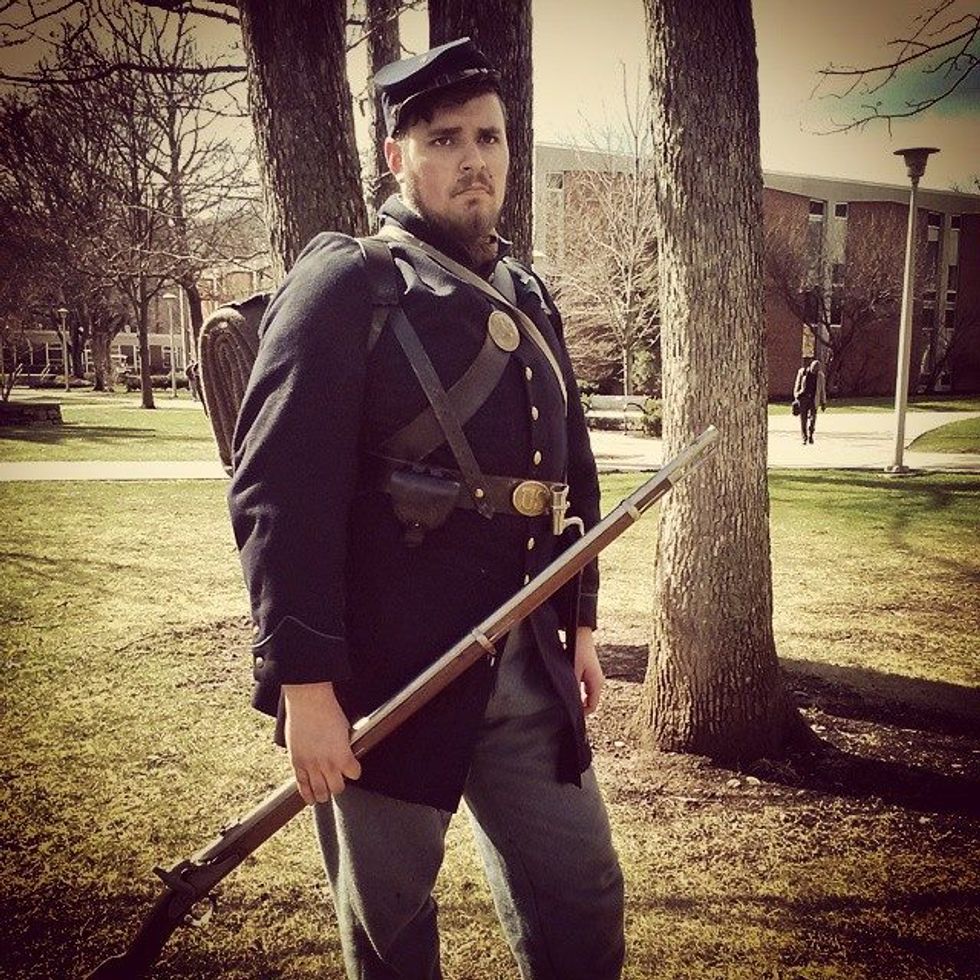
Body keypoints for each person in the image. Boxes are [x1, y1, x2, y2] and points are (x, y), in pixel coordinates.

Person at [228, 37, 624, 980]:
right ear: (397, 157)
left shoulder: (526, 290)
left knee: (583, 896)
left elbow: (568, 469)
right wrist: (305, 686)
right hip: (388, 678)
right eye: (444, 139)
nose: (473, 158)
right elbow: (278, 490)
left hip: (524, 663)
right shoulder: (349, 282)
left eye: (489, 136)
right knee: (393, 931)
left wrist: (579, 623)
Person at [793, 356, 827, 444]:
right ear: (810, 366)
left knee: (813, 419)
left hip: (813, 399)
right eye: (813, 369)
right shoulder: (802, 372)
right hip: (803, 398)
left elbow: (822, 390)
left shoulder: (820, 376)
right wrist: (796, 395)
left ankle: (811, 434)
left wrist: (823, 402)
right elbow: (797, 384)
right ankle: (804, 437)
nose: (814, 371)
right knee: (803, 419)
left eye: (816, 370)